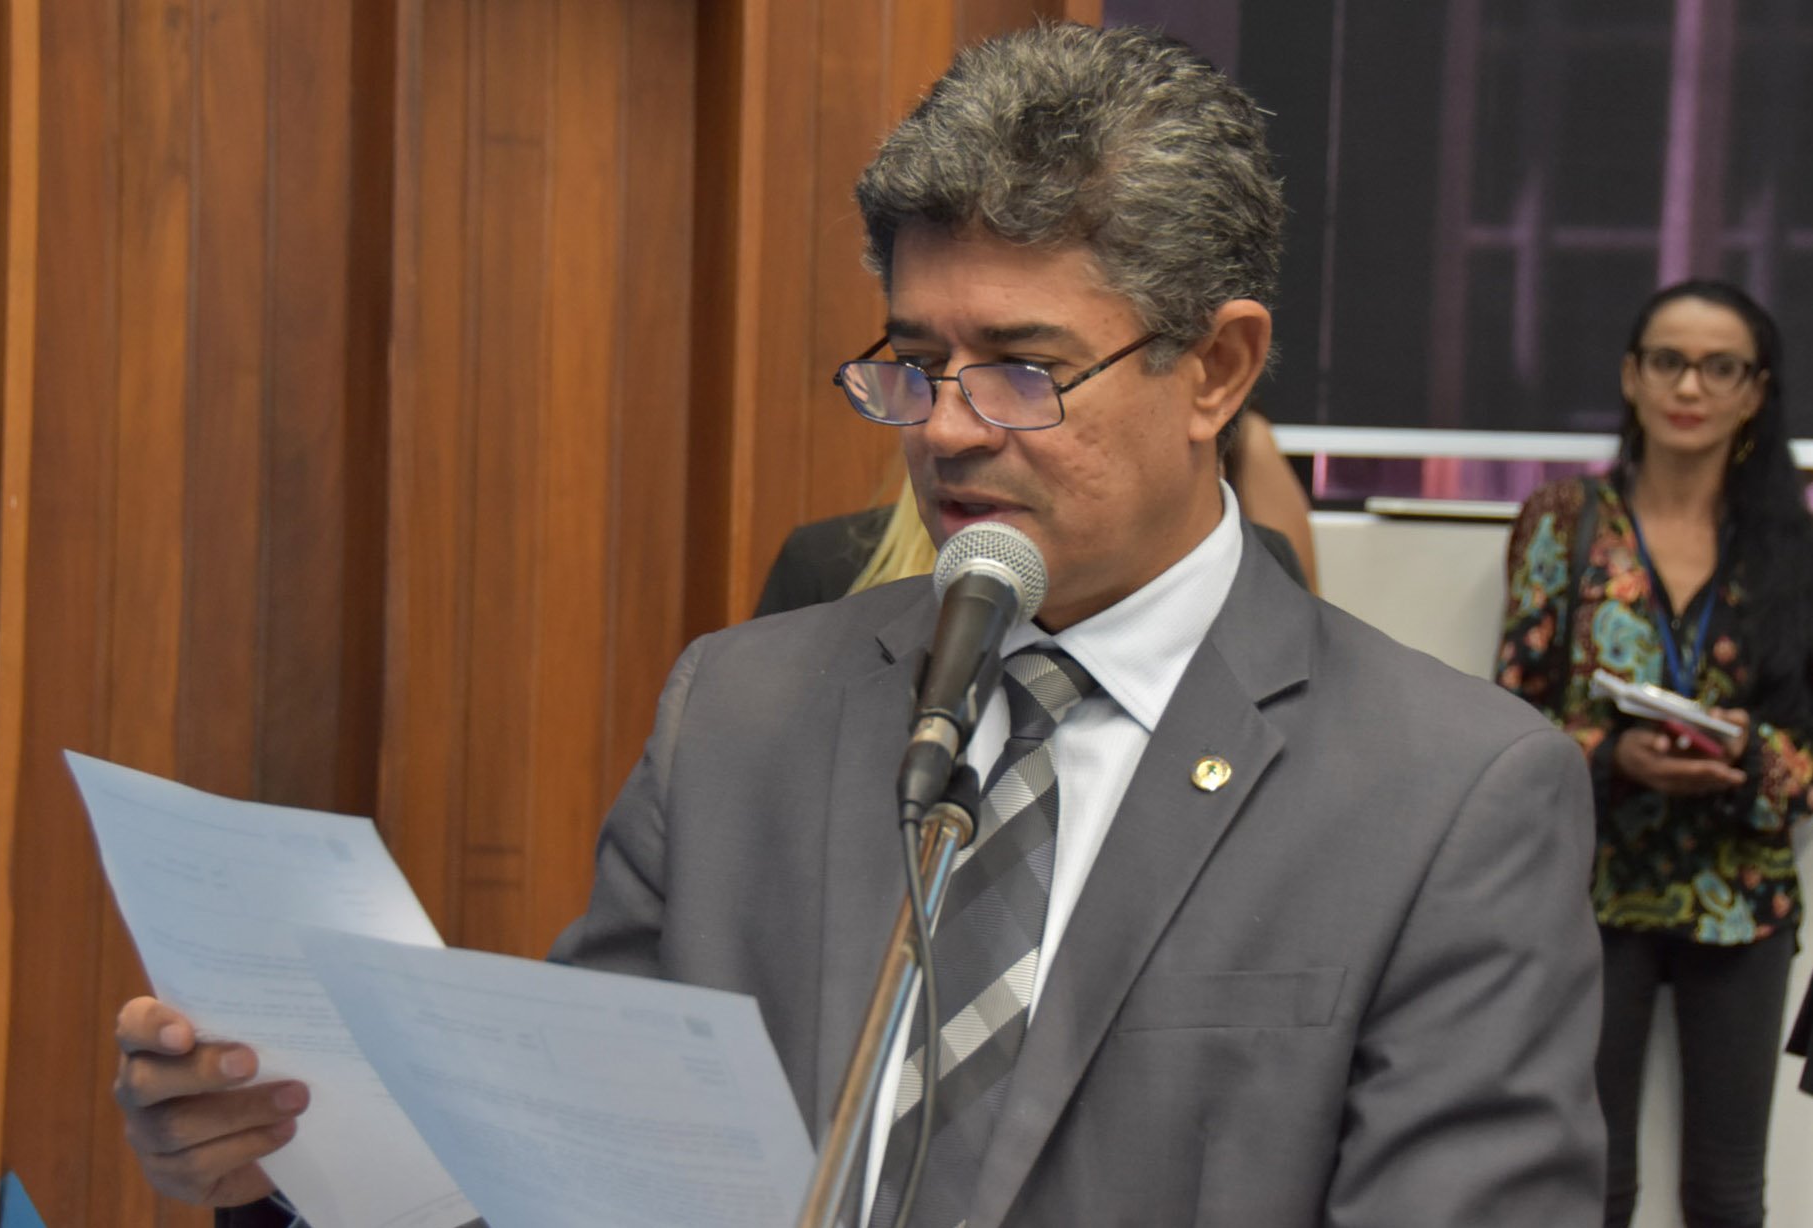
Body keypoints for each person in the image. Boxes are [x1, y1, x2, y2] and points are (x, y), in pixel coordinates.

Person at [115, 23, 1605, 1226]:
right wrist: (290, 1160)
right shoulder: (742, 712)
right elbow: (572, 1164)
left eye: (1023, 369)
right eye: (912, 360)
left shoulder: (1447, 795)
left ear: (1214, 369)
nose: (944, 429)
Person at [1496, 279, 1813, 1228]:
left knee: (1727, 1194)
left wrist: (1742, 752)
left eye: (1721, 368)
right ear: (1631, 376)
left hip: (1742, 899)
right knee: (1588, 1184)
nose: (1691, 386)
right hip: (1593, 892)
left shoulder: (1795, 545)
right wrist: (1615, 755)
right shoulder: (1563, 521)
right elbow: (1510, 723)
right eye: (1668, 361)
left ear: (1756, 392)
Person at [753, 427, 1311, 619]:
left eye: (1028, 372)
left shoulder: (1254, 560)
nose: (947, 430)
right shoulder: (827, 564)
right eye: (923, 363)